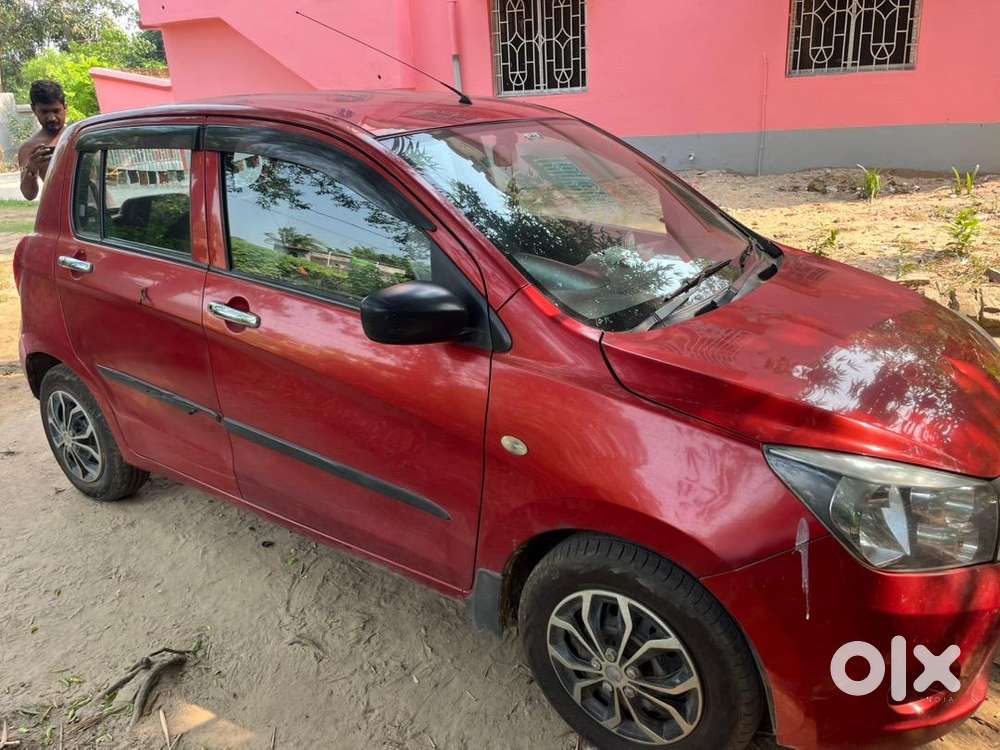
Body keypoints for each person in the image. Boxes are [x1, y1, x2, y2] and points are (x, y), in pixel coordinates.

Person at [18, 80, 68, 200]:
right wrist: (32, 169)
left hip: (97, 207)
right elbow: (29, 195)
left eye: (56, 111)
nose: (51, 118)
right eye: (44, 112)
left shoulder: (79, 135)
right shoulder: (29, 148)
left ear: (65, 107)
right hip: (61, 210)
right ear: (34, 109)